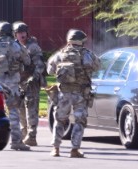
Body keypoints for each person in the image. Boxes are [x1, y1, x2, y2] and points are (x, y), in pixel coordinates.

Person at [47, 29, 100, 157]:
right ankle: (74, 150)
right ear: (81, 41)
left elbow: (49, 71)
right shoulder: (87, 54)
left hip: (64, 93)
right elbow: (97, 67)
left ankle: (56, 149)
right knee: (79, 121)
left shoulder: (60, 54)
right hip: (81, 94)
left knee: (59, 120)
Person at [0, 21, 31, 151]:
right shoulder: (15, 45)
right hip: (11, 82)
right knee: (13, 111)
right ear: (10, 32)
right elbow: (27, 61)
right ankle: (16, 142)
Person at [12, 21, 47, 146]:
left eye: (23, 32)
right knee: (20, 108)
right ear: (15, 34)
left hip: (31, 82)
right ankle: (24, 133)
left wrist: (34, 77)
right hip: (19, 82)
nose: (22, 35)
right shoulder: (14, 46)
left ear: (27, 33)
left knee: (31, 109)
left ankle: (32, 136)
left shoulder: (33, 47)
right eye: (19, 33)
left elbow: (40, 65)